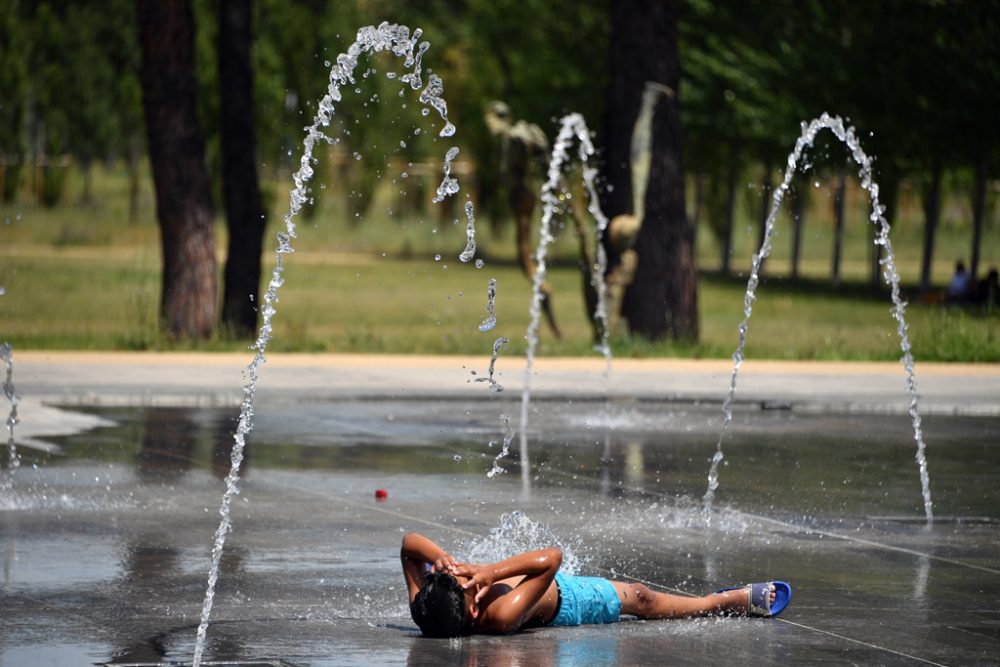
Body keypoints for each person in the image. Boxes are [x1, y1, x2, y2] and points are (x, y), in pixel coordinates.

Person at [400, 532, 791, 637]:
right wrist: (491, 572)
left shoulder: (427, 610)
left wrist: (443, 560)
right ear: (472, 611)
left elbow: (408, 546)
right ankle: (719, 603)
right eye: (469, 585)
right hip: (569, 601)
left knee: (640, 595)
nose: (469, 577)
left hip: (541, 583)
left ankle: (716, 601)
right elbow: (551, 560)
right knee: (641, 597)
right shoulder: (500, 615)